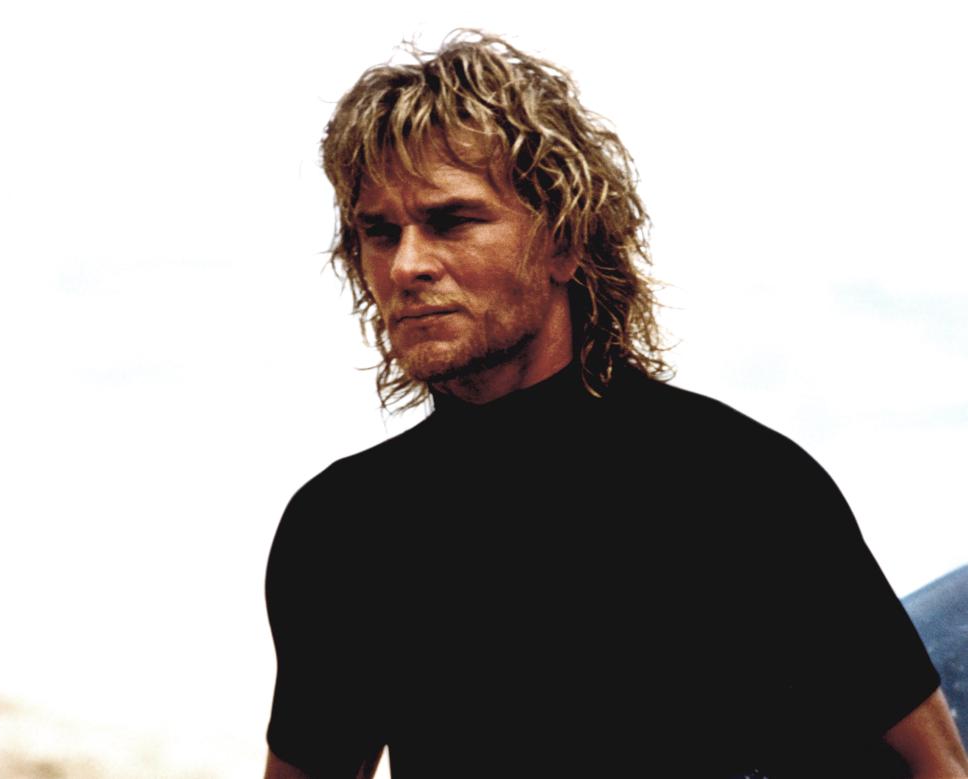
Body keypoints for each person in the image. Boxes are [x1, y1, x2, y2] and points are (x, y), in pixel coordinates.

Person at [264, 30, 968, 779]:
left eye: (451, 221)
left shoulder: (741, 483)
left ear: (563, 242)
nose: (407, 265)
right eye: (379, 233)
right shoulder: (342, 529)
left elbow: (936, 767)